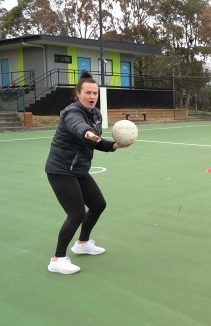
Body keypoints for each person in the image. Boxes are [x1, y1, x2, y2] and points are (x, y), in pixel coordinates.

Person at [45, 70, 131, 274]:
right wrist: (87, 132)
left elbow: (96, 142)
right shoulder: (71, 112)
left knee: (98, 204)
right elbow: (78, 126)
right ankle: (57, 259)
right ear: (78, 93)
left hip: (79, 169)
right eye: (88, 93)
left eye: (95, 93)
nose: (92, 97)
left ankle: (82, 243)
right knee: (75, 213)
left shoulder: (97, 115)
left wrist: (113, 146)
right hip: (61, 169)